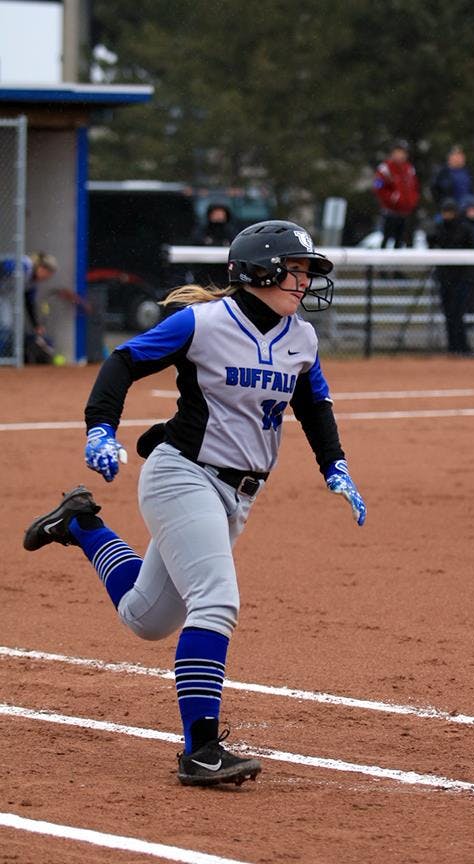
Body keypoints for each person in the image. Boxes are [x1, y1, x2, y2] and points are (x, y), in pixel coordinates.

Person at [22, 219, 367, 788]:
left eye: (307, 273)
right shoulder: (204, 322)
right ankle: (201, 751)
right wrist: (100, 430)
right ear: (259, 271)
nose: (305, 282)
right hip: (181, 475)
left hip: (237, 495)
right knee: (217, 601)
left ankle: (82, 525)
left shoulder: (300, 336)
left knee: (147, 618)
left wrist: (336, 465)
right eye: (296, 270)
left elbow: (314, 403)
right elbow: (123, 361)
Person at [427, 198, 474, 355]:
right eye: (445, 212)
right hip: (444, 277)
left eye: (450, 212)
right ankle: (452, 346)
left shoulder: (465, 228)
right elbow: (432, 245)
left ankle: (462, 346)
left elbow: (473, 249)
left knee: (458, 313)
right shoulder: (439, 228)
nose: (447, 216)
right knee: (448, 314)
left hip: (461, 277)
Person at [0, 251, 58, 360]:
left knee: (5, 324)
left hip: (2, 297)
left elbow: (29, 302)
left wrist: (36, 325)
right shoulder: (24, 265)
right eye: (48, 273)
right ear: (42, 268)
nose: (47, 278)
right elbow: (2, 266)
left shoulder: (32, 281)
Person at [372, 140, 420, 249]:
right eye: (398, 152)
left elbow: (414, 187)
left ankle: (396, 264)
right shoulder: (385, 168)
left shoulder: (409, 169)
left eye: (403, 153)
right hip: (390, 211)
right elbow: (378, 187)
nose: (400, 155)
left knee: (400, 239)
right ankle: (381, 261)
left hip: (404, 211)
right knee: (386, 237)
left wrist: (411, 201)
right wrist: (392, 199)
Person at [187, 202, 237, 288]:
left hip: (223, 269)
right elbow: (196, 241)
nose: (218, 216)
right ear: (210, 215)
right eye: (216, 214)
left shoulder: (230, 230)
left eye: (221, 214)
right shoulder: (202, 229)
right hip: (205, 268)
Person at [430, 145, 474, 210]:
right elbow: (435, 190)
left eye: (461, 156)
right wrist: (443, 204)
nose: (459, 158)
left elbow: (472, 191)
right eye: (456, 156)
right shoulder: (443, 173)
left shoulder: (467, 172)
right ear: (450, 158)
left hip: (466, 210)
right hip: (449, 210)